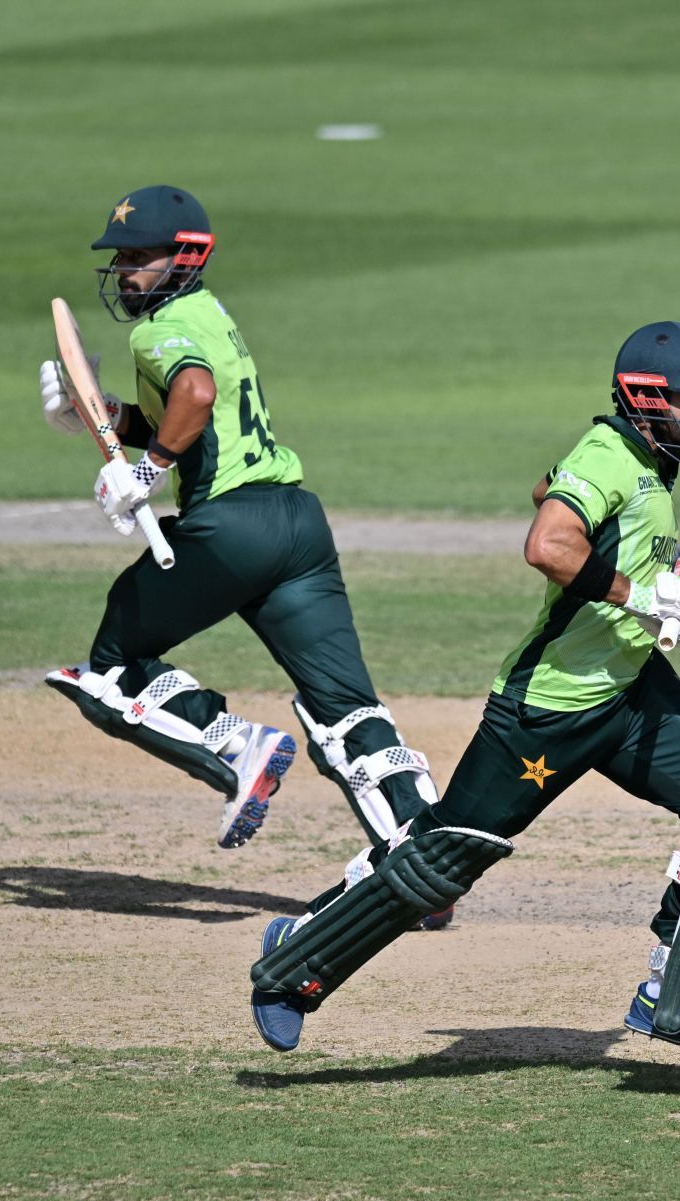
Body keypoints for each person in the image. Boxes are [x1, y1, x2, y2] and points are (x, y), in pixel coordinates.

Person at [244, 322, 680, 1055]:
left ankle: (676, 994)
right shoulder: (612, 452)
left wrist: (668, 590)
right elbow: (547, 543)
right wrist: (638, 594)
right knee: (443, 866)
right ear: (645, 399)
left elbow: (550, 489)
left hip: (630, 690)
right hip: (547, 708)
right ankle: (296, 961)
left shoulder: (637, 460)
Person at [37, 185, 441, 865]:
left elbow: (194, 395)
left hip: (231, 529)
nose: (124, 269)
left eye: (140, 255)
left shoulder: (158, 329)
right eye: (121, 256)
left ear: (186, 256)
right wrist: (104, 415)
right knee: (346, 708)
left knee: (107, 671)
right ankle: (425, 853)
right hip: (297, 527)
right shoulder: (208, 314)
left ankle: (234, 744)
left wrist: (147, 471)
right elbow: (194, 414)